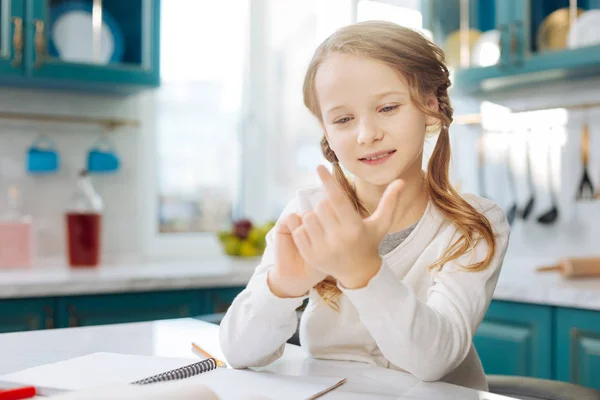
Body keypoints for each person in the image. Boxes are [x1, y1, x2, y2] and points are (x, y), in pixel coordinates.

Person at [219, 20, 510, 391]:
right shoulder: (309, 211)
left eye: (388, 108)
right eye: (343, 119)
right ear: (326, 131)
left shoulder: (472, 223)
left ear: (431, 107)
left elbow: (434, 361)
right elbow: (239, 352)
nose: (366, 134)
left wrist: (364, 271)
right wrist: (282, 287)